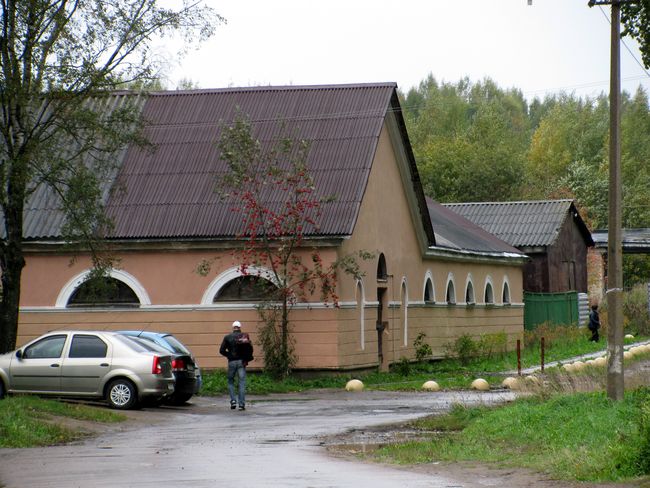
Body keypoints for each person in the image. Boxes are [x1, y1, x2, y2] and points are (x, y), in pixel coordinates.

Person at [219, 320, 253, 410]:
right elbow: (249, 349)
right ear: (240, 327)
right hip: (242, 362)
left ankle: (233, 401)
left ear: (233, 327)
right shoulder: (244, 336)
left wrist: (229, 355)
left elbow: (221, 350)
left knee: (230, 381)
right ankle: (241, 404)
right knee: (241, 382)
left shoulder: (227, 337)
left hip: (232, 362)